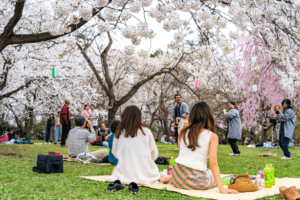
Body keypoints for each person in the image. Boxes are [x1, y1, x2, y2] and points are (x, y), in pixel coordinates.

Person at [159, 102, 238, 194]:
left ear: (192, 115)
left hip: (177, 177)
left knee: (206, 171)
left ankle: (168, 178)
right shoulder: (212, 136)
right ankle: (168, 178)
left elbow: (182, 155)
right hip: (198, 182)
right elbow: (213, 164)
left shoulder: (182, 132)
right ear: (208, 116)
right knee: (212, 174)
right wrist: (222, 189)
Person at [106, 106, 161, 185]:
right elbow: (154, 155)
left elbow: (115, 153)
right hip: (145, 171)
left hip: (124, 171)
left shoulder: (119, 132)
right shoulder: (146, 131)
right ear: (139, 117)